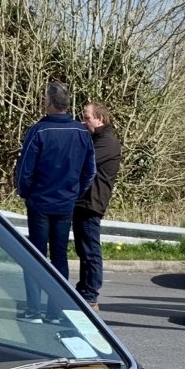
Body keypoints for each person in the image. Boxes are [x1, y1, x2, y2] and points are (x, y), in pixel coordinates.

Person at [15, 82, 95, 322]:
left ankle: (34, 309)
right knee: (59, 256)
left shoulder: (38, 131)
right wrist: (75, 193)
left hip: (40, 201)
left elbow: (24, 169)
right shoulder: (81, 133)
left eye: (44, 100)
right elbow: (90, 171)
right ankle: (56, 310)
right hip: (65, 203)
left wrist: (25, 192)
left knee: (36, 255)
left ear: (50, 103)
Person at [71, 102, 121, 309]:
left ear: (100, 119)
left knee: (90, 250)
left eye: (87, 118)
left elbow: (84, 161)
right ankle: (84, 289)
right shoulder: (97, 138)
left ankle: (90, 293)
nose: (84, 122)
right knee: (84, 249)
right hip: (84, 201)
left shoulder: (107, 142)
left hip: (92, 202)